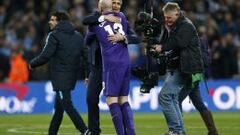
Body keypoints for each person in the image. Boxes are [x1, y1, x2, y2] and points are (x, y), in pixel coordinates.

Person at [29, 11, 90, 135]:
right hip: (71, 77)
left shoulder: (54, 35)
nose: (49, 22)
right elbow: (87, 57)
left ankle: (84, 130)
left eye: (52, 20)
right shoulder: (78, 36)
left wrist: (32, 63)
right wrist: (87, 74)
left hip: (60, 78)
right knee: (59, 110)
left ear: (59, 22)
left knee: (67, 104)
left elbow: (45, 55)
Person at [82, 0, 139, 134]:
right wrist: (103, 18)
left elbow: (135, 38)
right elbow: (87, 20)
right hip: (104, 65)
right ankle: (95, 130)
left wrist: (123, 37)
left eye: (119, 4)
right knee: (93, 98)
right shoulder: (118, 18)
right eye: (114, 2)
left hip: (110, 63)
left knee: (113, 100)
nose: (116, 6)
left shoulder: (116, 18)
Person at [152, 2, 204, 135]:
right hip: (183, 67)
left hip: (187, 68)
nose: (167, 20)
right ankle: (180, 131)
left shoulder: (186, 25)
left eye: (169, 18)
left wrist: (162, 48)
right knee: (173, 98)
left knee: (165, 96)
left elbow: (179, 42)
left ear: (177, 13)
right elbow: (170, 43)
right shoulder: (176, 26)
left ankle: (175, 130)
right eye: (165, 17)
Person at [178, 37, 219, 135]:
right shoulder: (201, 42)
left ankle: (178, 130)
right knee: (200, 104)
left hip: (190, 76)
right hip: (197, 76)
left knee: (176, 101)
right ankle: (213, 131)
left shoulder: (189, 41)